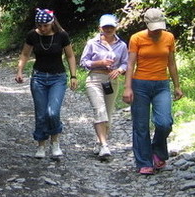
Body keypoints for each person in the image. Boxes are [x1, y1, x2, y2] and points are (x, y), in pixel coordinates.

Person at [122, 8, 184, 175]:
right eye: (154, 27)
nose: (157, 31)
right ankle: (144, 162)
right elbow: (130, 64)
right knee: (141, 125)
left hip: (162, 85)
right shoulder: (137, 38)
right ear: (147, 24)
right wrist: (127, 87)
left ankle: (157, 152)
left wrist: (177, 85)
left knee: (164, 122)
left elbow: (171, 63)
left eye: (160, 27)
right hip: (140, 85)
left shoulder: (169, 37)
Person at [15, 8, 78, 159]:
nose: (42, 28)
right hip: (38, 77)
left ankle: (55, 142)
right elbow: (25, 53)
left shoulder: (62, 35)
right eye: (40, 25)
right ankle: (41, 145)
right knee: (41, 113)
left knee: (53, 112)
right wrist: (19, 71)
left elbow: (70, 56)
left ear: (52, 23)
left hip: (58, 77)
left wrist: (73, 76)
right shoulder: (32, 35)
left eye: (45, 26)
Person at [79, 14, 129, 160]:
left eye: (111, 26)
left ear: (115, 27)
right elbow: (84, 61)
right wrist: (99, 63)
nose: (108, 29)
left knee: (108, 114)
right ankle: (104, 145)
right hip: (94, 78)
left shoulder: (121, 45)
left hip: (112, 80)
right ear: (100, 27)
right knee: (99, 110)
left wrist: (120, 70)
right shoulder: (92, 43)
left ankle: (99, 140)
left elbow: (126, 62)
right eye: (105, 26)